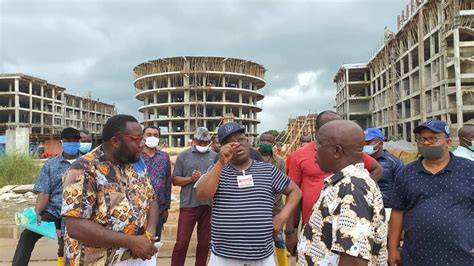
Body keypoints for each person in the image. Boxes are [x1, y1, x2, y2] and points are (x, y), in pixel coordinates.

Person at [196, 122, 302, 265]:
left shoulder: (268, 170)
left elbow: (295, 191)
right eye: (229, 142)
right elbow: (203, 195)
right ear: (221, 147)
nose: (237, 144)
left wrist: (282, 217)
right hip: (224, 257)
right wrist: (220, 163)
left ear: (247, 141)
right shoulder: (217, 171)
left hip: (262, 256)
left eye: (240, 139)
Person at [61, 114, 159, 265]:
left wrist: (149, 234)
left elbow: (151, 198)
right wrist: (131, 242)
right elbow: (75, 226)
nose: (142, 144)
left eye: (143, 138)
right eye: (137, 139)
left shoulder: (135, 163)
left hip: (135, 259)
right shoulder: (84, 169)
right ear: (115, 142)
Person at [285, 110, 383, 255]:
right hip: (318, 232)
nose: (315, 157)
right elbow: (294, 194)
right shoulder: (299, 156)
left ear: (338, 152)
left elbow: (353, 258)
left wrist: (359, 192)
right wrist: (290, 231)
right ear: (317, 131)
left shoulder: (353, 191)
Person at [388, 120, 474, 265]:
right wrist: (392, 248)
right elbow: (397, 211)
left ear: (447, 142)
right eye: (422, 139)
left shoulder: (469, 169)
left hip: (462, 257)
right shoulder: (406, 173)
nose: (426, 142)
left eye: (433, 138)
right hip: (416, 257)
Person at [12, 127, 81, 266]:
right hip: (54, 211)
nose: (72, 143)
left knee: (73, 247)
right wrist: (37, 212)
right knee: (27, 235)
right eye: (68, 140)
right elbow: (44, 192)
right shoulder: (51, 164)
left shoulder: (87, 163)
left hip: (79, 213)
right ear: (62, 142)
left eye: (75, 140)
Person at [171, 127, 217, 266]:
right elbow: (175, 180)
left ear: (209, 142)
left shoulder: (215, 156)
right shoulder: (183, 156)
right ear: (194, 140)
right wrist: (190, 179)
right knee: (182, 243)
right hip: (189, 205)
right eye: (200, 142)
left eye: (205, 142)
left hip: (208, 206)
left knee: (204, 244)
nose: (202, 145)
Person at [258, 131, 288, 266]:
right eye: (263, 140)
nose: (265, 143)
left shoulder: (280, 162)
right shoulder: (251, 158)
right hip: (256, 209)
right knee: (257, 242)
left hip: (276, 209)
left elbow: (282, 185)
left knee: (279, 240)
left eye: (268, 141)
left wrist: (269, 200)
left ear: (273, 144)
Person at [141, 125, 172, 241]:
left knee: (154, 241)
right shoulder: (136, 157)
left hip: (159, 208)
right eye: (148, 135)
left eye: (155, 135)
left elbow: (168, 182)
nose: (152, 137)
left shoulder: (164, 157)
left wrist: (166, 208)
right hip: (139, 208)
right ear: (143, 137)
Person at [364, 128, 404, 209]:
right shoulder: (357, 161)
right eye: (363, 142)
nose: (365, 145)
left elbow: (402, 188)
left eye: (369, 142)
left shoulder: (394, 163)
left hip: (387, 208)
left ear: (380, 143)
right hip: (363, 208)